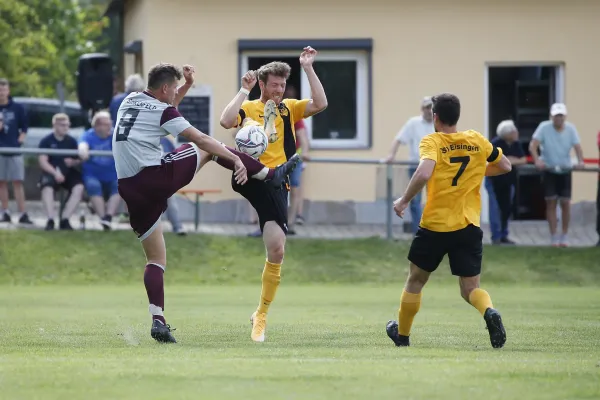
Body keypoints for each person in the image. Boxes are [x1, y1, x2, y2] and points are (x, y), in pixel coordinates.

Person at [113, 63, 300, 344]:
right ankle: (269, 174)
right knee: (206, 148)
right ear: (165, 88)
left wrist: (186, 85)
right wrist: (236, 158)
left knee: (155, 259)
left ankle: (158, 320)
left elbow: (167, 107)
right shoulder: (163, 110)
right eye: (175, 88)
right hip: (154, 177)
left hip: (129, 188)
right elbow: (199, 137)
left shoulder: (130, 100)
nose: (177, 92)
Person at [386, 93, 512, 349]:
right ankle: (489, 311)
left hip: (435, 225)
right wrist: (477, 172)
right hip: (468, 225)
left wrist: (404, 200)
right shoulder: (476, 139)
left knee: (416, 280)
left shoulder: (432, 140)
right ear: (457, 116)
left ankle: (403, 335)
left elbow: (423, 171)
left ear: (435, 117)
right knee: (470, 289)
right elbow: (505, 165)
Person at [219, 46, 328, 342]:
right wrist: (243, 90)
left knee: (277, 250)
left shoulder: (289, 108)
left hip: (276, 183)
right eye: (274, 85)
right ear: (263, 85)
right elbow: (226, 121)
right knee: (209, 148)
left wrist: (308, 68)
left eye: (282, 85)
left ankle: (261, 313)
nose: (279, 90)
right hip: (250, 175)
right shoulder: (251, 108)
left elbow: (320, 103)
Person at [529, 103, 584, 247]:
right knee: (551, 202)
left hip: (565, 169)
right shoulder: (544, 127)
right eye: (555, 116)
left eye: (560, 116)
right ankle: (554, 236)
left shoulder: (571, 129)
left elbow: (577, 147)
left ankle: (564, 236)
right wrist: (537, 160)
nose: (558, 119)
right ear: (551, 117)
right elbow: (533, 145)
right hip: (549, 169)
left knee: (565, 203)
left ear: (564, 117)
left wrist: (580, 161)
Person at [382, 97, 434, 234]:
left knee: (434, 199)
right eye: (427, 107)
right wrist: (391, 155)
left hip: (435, 167)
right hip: (415, 166)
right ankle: (419, 232)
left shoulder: (438, 124)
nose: (429, 110)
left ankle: (433, 230)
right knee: (414, 200)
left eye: (432, 108)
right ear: (422, 109)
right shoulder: (413, 123)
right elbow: (398, 139)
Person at [38, 113, 85, 231]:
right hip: (51, 171)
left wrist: (73, 162)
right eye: (62, 125)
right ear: (54, 125)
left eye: (67, 125)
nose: (65, 127)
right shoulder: (46, 141)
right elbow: (43, 161)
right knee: (47, 188)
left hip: (68, 172)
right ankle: (50, 220)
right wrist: (55, 173)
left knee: (79, 187)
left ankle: (65, 220)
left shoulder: (71, 141)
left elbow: (78, 159)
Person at [485, 120, 527, 244]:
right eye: (513, 131)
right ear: (507, 133)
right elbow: (493, 161)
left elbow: (523, 160)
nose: (516, 133)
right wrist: (510, 160)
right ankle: (496, 236)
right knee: (495, 208)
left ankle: (504, 234)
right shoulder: (495, 143)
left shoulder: (516, 144)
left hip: (509, 182)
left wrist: (508, 160)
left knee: (506, 208)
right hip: (494, 181)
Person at [78, 110, 121, 231]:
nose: (108, 127)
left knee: (120, 186)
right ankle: (103, 219)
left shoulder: (115, 134)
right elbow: (82, 145)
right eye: (105, 124)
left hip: (113, 174)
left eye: (109, 124)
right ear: (97, 125)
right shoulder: (88, 135)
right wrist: (83, 150)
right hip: (93, 174)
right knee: (93, 186)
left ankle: (108, 217)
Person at [0, 78, 33, 225]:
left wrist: (20, 139)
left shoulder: (17, 107)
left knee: (18, 181)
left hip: (14, 148)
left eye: (4, 89)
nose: (1, 93)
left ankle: (22, 212)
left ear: (8, 91)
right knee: (2, 182)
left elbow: (24, 126)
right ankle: (5, 211)